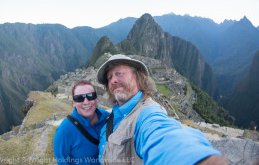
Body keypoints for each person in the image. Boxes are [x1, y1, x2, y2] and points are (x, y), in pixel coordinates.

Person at [96, 54, 230, 165]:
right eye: (110, 77)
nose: (113, 80)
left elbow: (163, 136)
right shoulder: (112, 116)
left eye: (119, 74)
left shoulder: (147, 113)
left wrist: (201, 160)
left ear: (137, 77)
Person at [53, 80, 110, 165]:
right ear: (73, 103)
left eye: (91, 96)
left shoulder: (107, 117)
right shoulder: (64, 131)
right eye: (79, 98)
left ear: (97, 99)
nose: (86, 102)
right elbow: (62, 161)